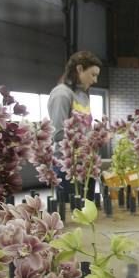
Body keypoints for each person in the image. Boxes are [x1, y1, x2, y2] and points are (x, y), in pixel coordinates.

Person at [48, 50, 102, 198]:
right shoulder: (61, 94)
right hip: (67, 167)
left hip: (86, 165)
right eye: (93, 74)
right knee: (72, 214)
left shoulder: (83, 95)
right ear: (79, 69)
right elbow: (58, 133)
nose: (95, 80)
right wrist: (85, 142)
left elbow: (86, 129)